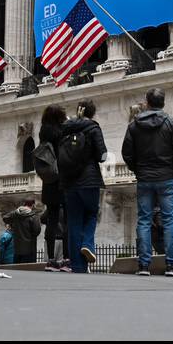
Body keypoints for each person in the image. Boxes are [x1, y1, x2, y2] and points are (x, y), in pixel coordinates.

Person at [122, 87, 173, 277]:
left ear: (147, 101)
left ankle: (143, 266)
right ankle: (171, 265)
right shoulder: (172, 123)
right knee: (169, 220)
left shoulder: (134, 125)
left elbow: (127, 153)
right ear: (163, 102)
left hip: (144, 178)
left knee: (144, 220)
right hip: (166, 177)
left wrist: (138, 169)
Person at [59, 100, 107, 273]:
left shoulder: (65, 127)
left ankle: (78, 265)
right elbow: (102, 155)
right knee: (92, 213)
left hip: (69, 181)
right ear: (92, 113)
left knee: (74, 221)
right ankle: (87, 243)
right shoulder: (93, 128)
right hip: (89, 180)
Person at [38, 105, 70, 271]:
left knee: (52, 220)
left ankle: (50, 260)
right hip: (63, 178)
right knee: (66, 221)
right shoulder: (62, 131)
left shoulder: (43, 131)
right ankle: (66, 259)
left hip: (49, 180)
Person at [3, 198, 44, 265]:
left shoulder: (15, 214)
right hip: (30, 248)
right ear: (33, 205)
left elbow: (5, 218)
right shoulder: (33, 216)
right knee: (29, 270)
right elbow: (37, 230)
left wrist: (14, 217)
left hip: (17, 248)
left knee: (17, 270)